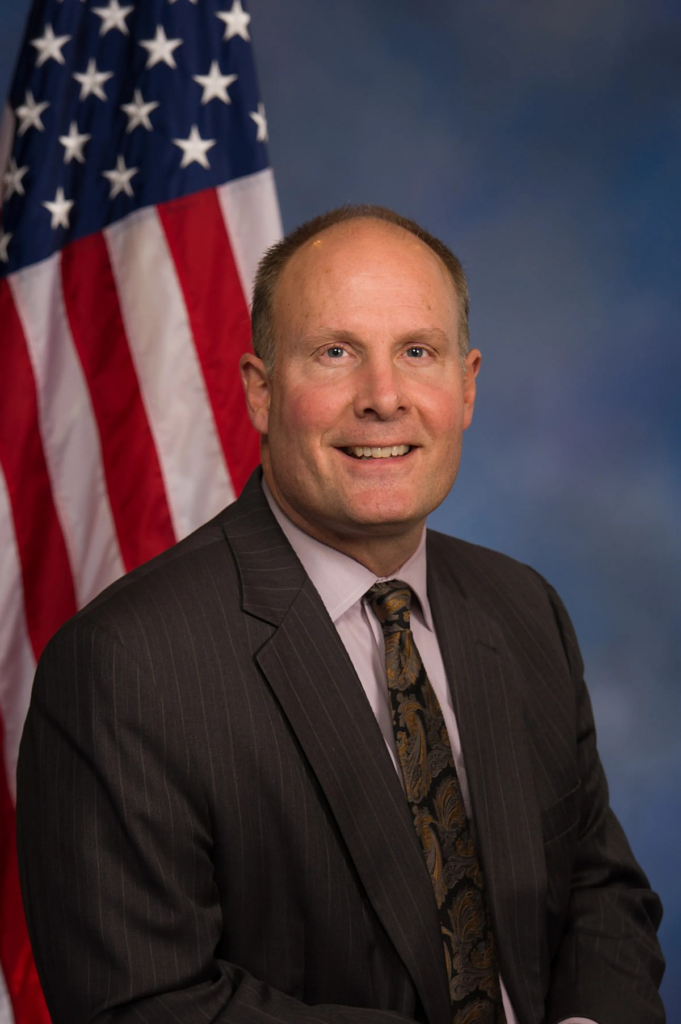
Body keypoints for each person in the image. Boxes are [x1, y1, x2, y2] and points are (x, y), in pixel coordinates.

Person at [17, 205, 665, 1024]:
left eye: (416, 353)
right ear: (260, 390)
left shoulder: (522, 608)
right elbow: (145, 1004)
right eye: (335, 354)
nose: (383, 398)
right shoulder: (126, 666)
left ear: (465, 387)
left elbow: (595, 889)